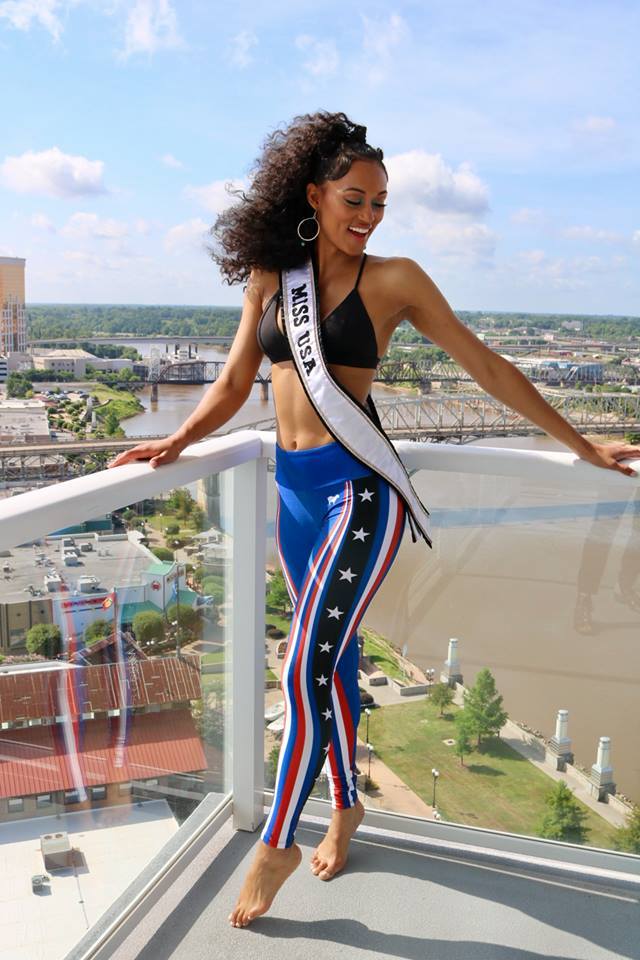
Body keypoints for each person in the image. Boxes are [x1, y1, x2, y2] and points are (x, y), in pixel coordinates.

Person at [107, 110, 640, 928]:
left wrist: (578, 442)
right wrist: (173, 440)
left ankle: (278, 840)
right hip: (291, 498)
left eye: (381, 203)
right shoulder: (269, 273)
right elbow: (231, 383)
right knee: (337, 664)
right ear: (314, 195)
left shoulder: (395, 280)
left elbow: (487, 366)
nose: (369, 216)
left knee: (299, 672)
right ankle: (348, 805)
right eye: (355, 198)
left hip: (361, 496)